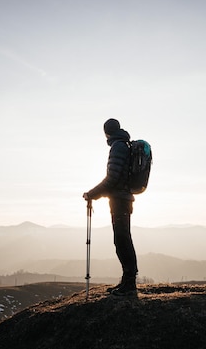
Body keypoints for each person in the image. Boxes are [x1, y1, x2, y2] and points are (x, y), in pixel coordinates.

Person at [83, 118, 138, 296]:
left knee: (122, 239)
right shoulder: (124, 145)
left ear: (107, 132)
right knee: (122, 238)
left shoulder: (118, 147)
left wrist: (92, 194)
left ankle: (129, 283)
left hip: (120, 200)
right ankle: (127, 280)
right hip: (123, 198)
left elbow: (112, 178)